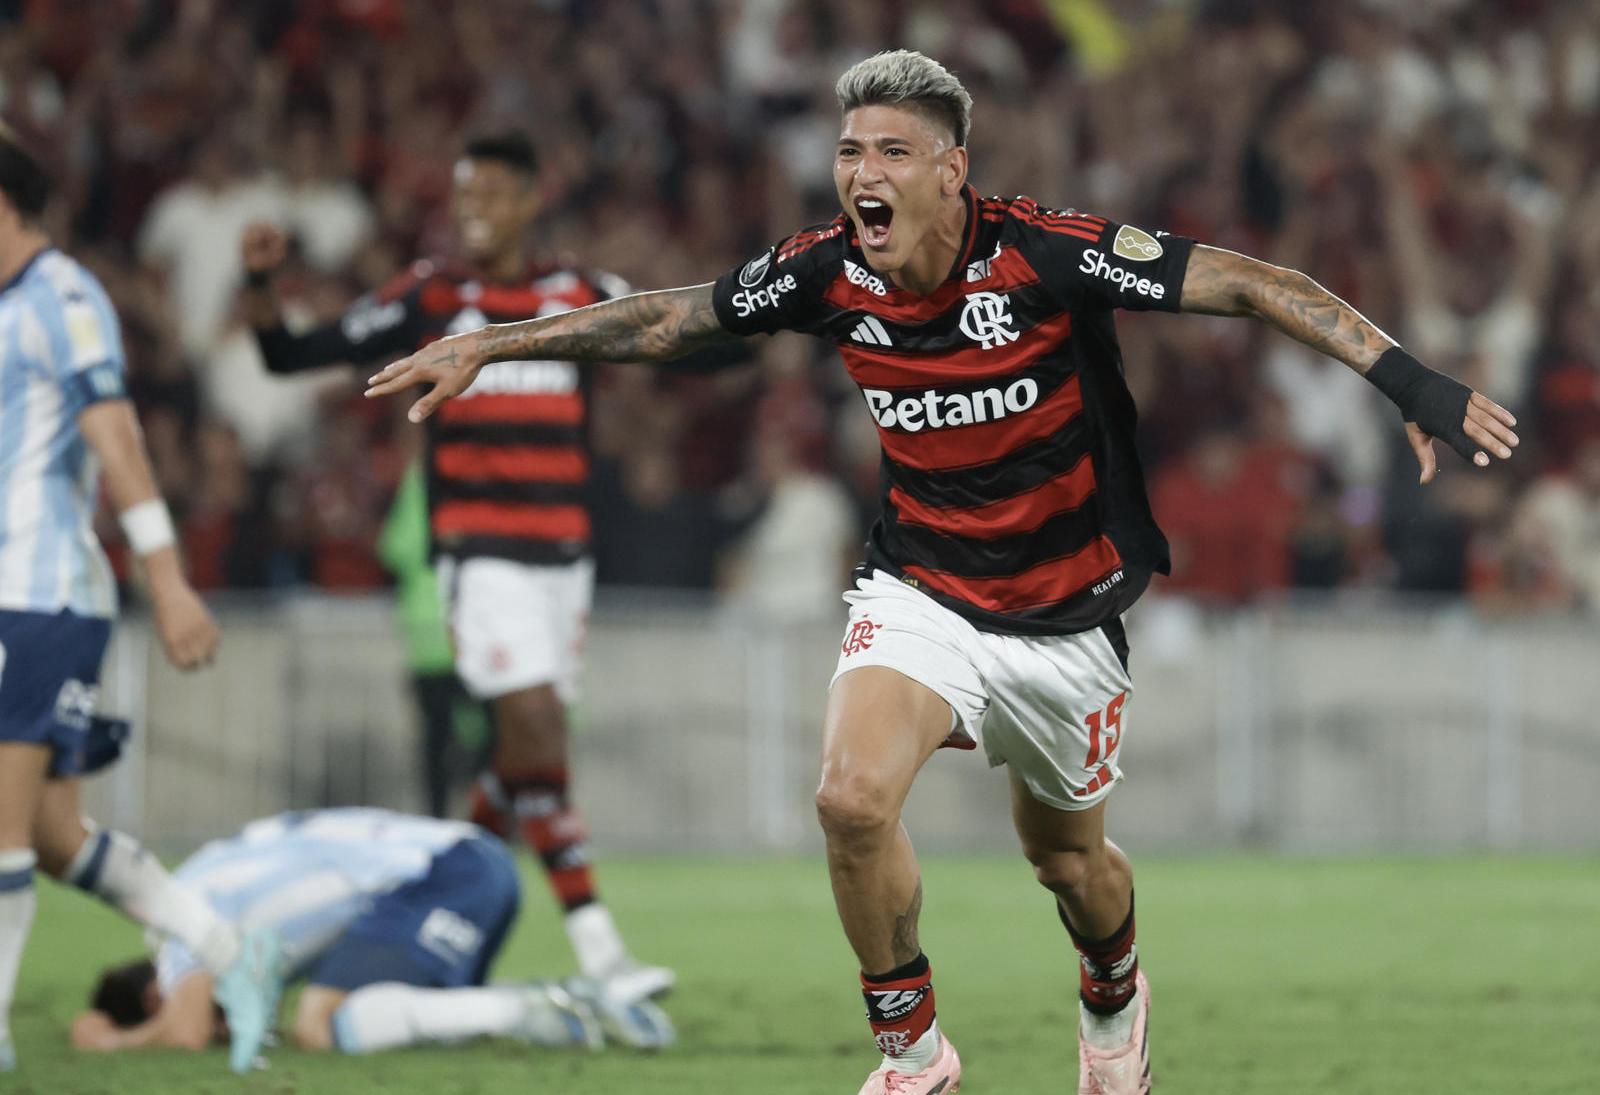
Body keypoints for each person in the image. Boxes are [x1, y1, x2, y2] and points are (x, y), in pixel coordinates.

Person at [364, 51, 1520, 1094]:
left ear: (951, 171)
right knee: (849, 797)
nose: (862, 172)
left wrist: (1410, 383)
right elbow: (675, 321)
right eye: (850, 150)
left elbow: (1252, 282)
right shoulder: (825, 273)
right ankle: (914, 1055)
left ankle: (1115, 994)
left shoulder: (1047, 253)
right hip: (922, 592)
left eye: (893, 152)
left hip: (1066, 618)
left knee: (1069, 863)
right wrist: (493, 344)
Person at [239, 131, 674, 1046]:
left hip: (565, 561)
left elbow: (686, 342)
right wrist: (263, 290)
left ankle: (443, 888)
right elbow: (292, 354)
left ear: (527, 199)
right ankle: (604, 955)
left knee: (521, 766)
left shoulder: (581, 295)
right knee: (536, 730)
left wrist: (778, 313)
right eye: (461, 193)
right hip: (479, 556)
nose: (470, 208)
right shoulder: (431, 294)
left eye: (487, 194)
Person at [0, 123, 277, 1075]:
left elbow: (116, 438)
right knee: (49, 832)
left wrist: (165, 578)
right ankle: (237, 952)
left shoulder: (64, 297)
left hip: (38, 593)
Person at [71, 807, 611, 1059]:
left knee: (322, 1024)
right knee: (398, 1017)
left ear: (153, 994)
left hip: (436, 877)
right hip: (469, 858)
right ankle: (552, 1009)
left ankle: (555, 1004)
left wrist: (110, 1040)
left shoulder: (178, 930)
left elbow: (183, 1033)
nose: (224, 1030)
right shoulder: (209, 865)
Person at [379, 457, 492, 818]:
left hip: (439, 639)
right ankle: (477, 822)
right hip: (467, 639)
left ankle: (445, 821)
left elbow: (394, 547)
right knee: (481, 735)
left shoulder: (422, 477)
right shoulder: (482, 476)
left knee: (442, 741)